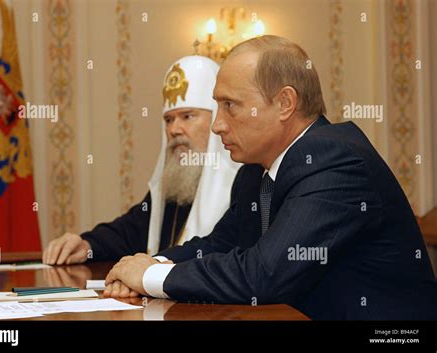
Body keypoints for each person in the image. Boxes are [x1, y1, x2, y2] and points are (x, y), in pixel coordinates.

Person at [104, 35, 437, 320]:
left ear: (285, 103)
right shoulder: (256, 171)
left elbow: (264, 274)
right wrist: (149, 263)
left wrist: (150, 276)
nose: (219, 124)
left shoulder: (334, 159)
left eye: (230, 105)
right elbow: (219, 245)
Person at [42, 55, 240, 275]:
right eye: (168, 120)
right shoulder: (177, 185)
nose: (174, 130)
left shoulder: (243, 185)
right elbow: (129, 231)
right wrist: (86, 245)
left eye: (187, 116)